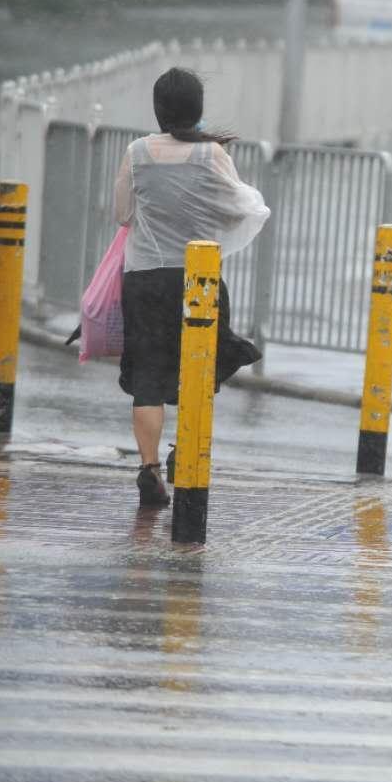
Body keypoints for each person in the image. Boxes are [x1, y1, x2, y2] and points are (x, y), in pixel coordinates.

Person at [114, 68, 270, 509]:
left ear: (157, 109)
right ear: (197, 109)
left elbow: (122, 213)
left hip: (144, 276)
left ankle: (148, 469)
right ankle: (185, 452)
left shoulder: (136, 151)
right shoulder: (211, 155)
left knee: (146, 375)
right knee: (197, 370)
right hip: (196, 279)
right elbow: (238, 207)